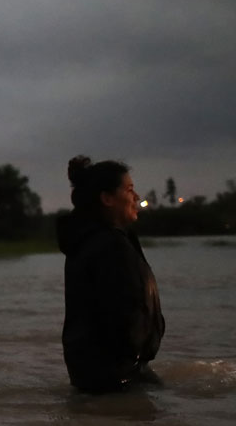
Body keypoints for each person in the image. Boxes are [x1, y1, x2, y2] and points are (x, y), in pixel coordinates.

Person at [57, 156, 165, 393]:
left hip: (100, 373)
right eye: (129, 190)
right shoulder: (109, 246)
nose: (136, 197)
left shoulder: (90, 241)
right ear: (106, 198)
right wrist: (136, 352)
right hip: (116, 376)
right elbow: (124, 313)